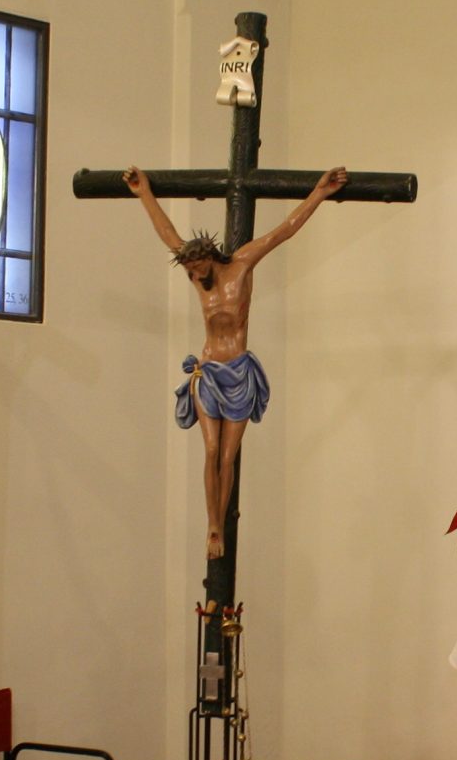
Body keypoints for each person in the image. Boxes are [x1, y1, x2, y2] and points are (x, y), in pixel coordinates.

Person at [125, 164, 345, 558]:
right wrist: (144, 194)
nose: (196, 276)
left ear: (210, 257)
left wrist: (319, 192)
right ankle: (213, 527)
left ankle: (219, 521)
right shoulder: (196, 276)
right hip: (208, 372)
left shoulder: (243, 264)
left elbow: (284, 230)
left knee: (228, 456)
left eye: (198, 268)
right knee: (210, 451)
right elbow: (167, 233)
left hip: (240, 374)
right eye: (190, 271)